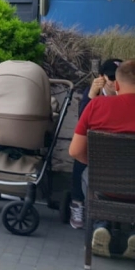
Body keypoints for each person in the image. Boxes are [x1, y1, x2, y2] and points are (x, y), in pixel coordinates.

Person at [68, 59, 135, 260]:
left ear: (117, 85)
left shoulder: (97, 105)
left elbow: (75, 151)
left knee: (88, 175)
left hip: (104, 187)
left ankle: (100, 224)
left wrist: (98, 165)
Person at [69, 58, 122, 229]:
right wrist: (92, 96)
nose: (115, 82)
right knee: (80, 155)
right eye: (112, 78)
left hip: (118, 149)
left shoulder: (126, 96)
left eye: (119, 78)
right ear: (101, 77)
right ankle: (77, 202)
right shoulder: (94, 93)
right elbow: (82, 123)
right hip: (96, 145)